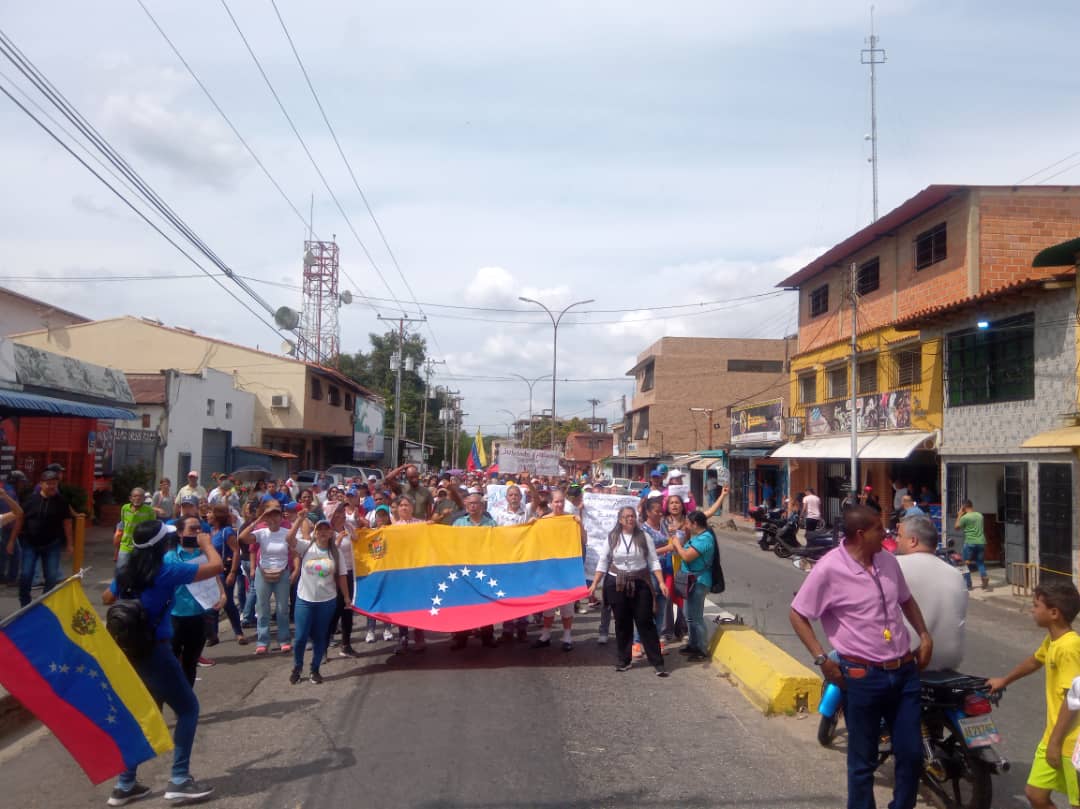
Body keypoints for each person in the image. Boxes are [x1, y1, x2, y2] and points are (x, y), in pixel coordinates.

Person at [789, 504, 933, 809]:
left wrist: (924, 634)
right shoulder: (829, 568)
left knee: (911, 754)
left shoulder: (888, 561)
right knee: (863, 761)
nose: (887, 533)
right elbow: (798, 614)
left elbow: (906, 600)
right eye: (879, 529)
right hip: (862, 676)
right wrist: (822, 659)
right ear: (860, 534)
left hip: (904, 672)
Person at [102, 520, 221, 805]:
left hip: (130, 651)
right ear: (161, 545)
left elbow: (107, 597)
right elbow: (215, 567)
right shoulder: (166, 570)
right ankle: (180, 780)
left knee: (147, 714)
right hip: (156, 651)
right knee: (189, 709)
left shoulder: (127, 571)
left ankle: (125, 783)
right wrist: (206, 545)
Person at [988, 580, 1080, 809]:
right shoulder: (1054, 640)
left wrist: (1056, 743)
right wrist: (1004, 680)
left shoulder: (1070, 647)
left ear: (1054, 613)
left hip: (1070, 742)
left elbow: (1074, 699)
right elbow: (1034, 661)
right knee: (1035, 794)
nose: (1032, 609)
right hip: (1053, 736)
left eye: (1036, 605)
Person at [589, 506, 669, 676]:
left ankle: (657, 662)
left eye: (632, 516)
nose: (630, 519)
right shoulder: (613, 537)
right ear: (620, 520)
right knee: (622, 622)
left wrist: (661, 582)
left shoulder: (644, 537)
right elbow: (603, 561)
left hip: (640, 582)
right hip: (616, 583)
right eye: (626, 516)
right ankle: (623, 660)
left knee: (645, 621)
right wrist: (595, 583)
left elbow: (654, 561)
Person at [894, 514, 967, 671]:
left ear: (913, 541)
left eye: (899, 536)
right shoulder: (955, 574)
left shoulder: (894, 566)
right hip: (950, 663)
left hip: (908, 662)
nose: (896, 541)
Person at [288, 517, 348, 684]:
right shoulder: (306, 546)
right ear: (315, 532)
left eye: (326, 529)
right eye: (319, 529)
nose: (322, 532)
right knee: (300, 637)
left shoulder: (336, 552)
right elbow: (289, 539)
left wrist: (347, 597)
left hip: (327, 601)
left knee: (320, 637)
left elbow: (342, 575)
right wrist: (299, 519)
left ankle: (315, 669)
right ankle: (297, 667)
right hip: (304, 600)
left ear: (331, 533)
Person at [166, 517, 226, 686]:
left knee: (190, 664)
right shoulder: (171, 557)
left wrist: (221, 593)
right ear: (180, 533)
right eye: (192, 529)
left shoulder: (205, 554)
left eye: (199, 528)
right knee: (170, 663)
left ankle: (187, 702)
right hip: (175, 616)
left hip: (199, 615)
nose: (198, 533)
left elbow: (214, 575)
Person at [238, 499, 294, 655]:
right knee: (262, 608)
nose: (273, 518)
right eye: (270, 515)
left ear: (281, 517)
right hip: (263, 573)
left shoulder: (286, 533)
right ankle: (262, 641)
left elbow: (295, 551)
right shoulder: (261, 532)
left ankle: (284, 640)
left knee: (282, 608)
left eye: (277, 515)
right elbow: (242, 537)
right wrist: (257, 520)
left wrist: (294, 571)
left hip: (282, 572)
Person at [9, 469, 72, 607]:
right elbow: (20, 519)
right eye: (49, 483)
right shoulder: (31, 500)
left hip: (52, 544)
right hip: (30, 544)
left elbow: (67, 523)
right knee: (26, 575)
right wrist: (12, 541)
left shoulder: (62, 502)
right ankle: (25, 604)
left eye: (55, 484)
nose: (52, 487)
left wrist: (69, 544)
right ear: (41, 484)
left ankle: (45, 603)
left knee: (51, 577)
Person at [533, 489, 585, 652]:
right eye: (556, 501)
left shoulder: (571, 519)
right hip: (548, 568)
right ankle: (546, 634)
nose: (559, 504)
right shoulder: (543, 520)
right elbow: (534, 541)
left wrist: (580, 524)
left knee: (567, 605)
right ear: (550, 503)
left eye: (561, 501)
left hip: (567, 568)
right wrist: (531, 524)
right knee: (548, 604)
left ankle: (567, 636)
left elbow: (584, 540)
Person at [450, 490, 499, 650]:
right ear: (465, 505)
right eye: (470, 503)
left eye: (476, 503)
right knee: (463, 604)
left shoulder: (490, 524)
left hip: (485, 569)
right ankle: (461, 637)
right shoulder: (458, 524)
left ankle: (487, 636)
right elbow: (450, 544)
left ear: (482, 506)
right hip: (464, 570)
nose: (472, 506)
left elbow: (497, 544)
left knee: (485, 603)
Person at [670, 510, 717, 662]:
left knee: (696, 618)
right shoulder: (699, 537)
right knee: (689, 616)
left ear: (695, 524)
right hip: (691, 581)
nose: (686, 526)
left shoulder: (705, 539)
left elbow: (686, 556)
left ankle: (701, 649)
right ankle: (692, 644)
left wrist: (676, 543)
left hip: (699, 582)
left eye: (688, 523)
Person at [207, 504, 246, 646]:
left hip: (225, 572)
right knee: (214, 603)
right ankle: (213, 635)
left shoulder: (227, 531)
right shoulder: (211, 531)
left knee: (228, 602)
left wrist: (233, 573)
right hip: (212, 574)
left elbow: (236, 551)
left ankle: (239, 633)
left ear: (217, 516)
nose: (207, 515)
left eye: (210, 512)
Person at [116, 487, 156, 571]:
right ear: (130, 498)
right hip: (125, 546)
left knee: (140, 571)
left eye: (140, 496)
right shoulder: (124, 508)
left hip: (141, 547)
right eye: (135, 496)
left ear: (144, 499)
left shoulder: (149, 510)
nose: (137, 498)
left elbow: (153, 528)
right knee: (121, 570)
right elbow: (123, 524)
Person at [955, 499, 989, 591]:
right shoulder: (980, 515)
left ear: (964, 507)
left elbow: (956, 527)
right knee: (980, 562)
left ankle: (968, 584)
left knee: (965, 564)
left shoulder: (965, 518)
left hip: (970, 542)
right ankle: (984, 577)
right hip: (981, 542)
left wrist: (959, 515)